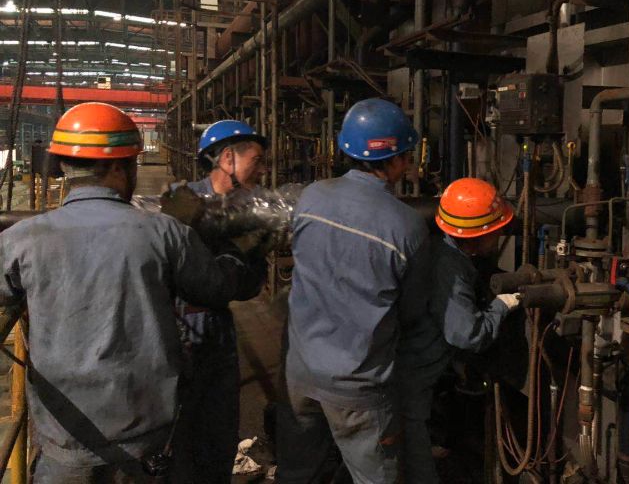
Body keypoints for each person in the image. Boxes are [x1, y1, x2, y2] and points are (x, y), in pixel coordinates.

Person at [0, 102, 263, 483]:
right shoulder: (164, 233)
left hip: (65, 439)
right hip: (146, 440)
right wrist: (241, 249)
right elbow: (219, 287)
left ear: (63, 167)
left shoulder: (21, 239)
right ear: (121, 168)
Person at [280, 98, 429, 484]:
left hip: (300, 372)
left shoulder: (311, 197)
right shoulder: (407, 226)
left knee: (298, 473)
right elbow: (412, 311)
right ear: (396, 159)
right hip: (357, 387)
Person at [397, 177, 522, 483]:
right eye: (497, 230)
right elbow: (468, 334)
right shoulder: (450, 269)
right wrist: (501, 306)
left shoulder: (438, 248)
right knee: (412, 449)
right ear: (480, 235)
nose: (501, 234)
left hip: (407, 359)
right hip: (412, 374)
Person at [168, 119, 268, 483]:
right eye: (256, 160)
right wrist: (230, 255)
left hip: (218, 333)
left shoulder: (252, 212)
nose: (262, 170)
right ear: (227, 159)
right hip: (176, 330)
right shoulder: (180, 202)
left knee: (219, 432)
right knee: (176, 432)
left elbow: (251, 285)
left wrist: (238, 258)